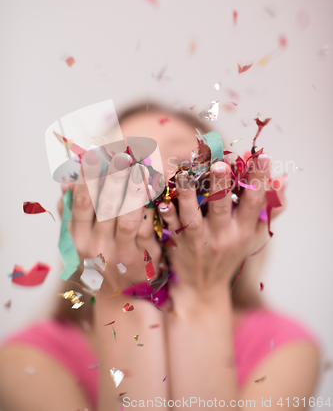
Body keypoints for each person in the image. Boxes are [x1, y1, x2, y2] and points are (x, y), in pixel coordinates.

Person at [0, 102, 322, 411]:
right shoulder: (27, 360)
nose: (150, 182)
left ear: (229, 192)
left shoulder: (281, 347)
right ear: (88, 203)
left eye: (183, 161)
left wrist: (202, 296)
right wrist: (120, 298)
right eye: (125, 167)